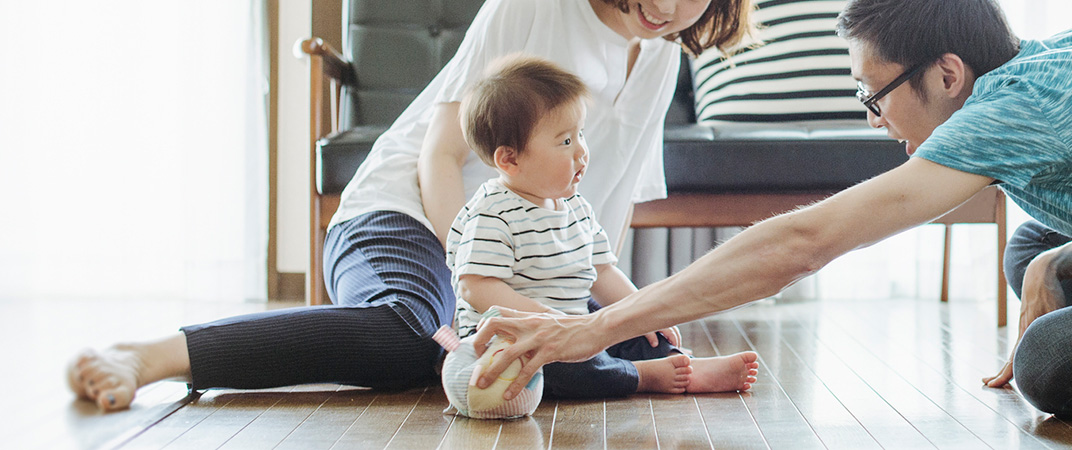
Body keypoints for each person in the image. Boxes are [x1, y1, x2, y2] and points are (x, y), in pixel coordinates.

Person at [465, 0, 1072, 418]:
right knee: (1035, 251)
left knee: (1053, 361)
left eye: (875, 96)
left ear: (948, 73)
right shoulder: (1068, 55)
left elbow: (800, 244)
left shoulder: (1001, 118)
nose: (876, 119)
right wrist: (1057, 266)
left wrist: (592, 330)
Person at [66, 0, 754, 411]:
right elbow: (438, 153)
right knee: (407, 331)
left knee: (633, 337)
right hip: (409, 214)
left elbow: (602, 208)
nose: (665, 4)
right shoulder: (538, 7)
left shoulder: (662, 56)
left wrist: (628, 315)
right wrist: (475, 289)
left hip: (519, 253)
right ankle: (158, 355)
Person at [440, 56, 754, 413]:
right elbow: (475, 285)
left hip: (576, 323)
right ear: (509, 160)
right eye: (565, 141)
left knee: (634, 328)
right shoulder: (492, 213)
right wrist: (545, 318)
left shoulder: (575, 208)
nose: (581, 152)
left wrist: (646, 313)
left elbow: (602, 273)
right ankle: (641, 376)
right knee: (569, 368)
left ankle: (682, 363)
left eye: (581, 135)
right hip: (514, 340)